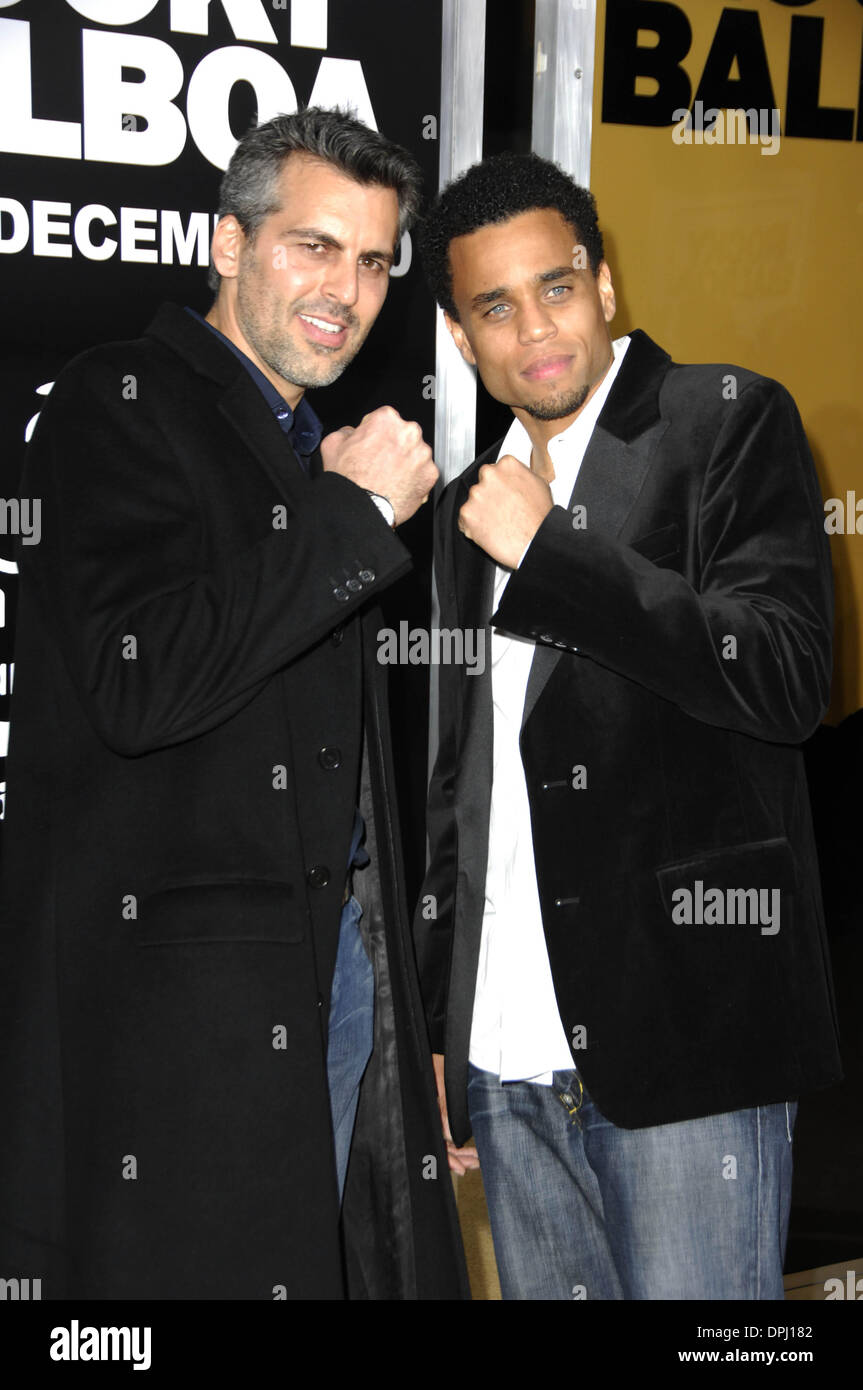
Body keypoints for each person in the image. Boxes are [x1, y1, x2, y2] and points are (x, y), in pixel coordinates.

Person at [0, 107, 468, 1300]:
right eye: (313, 246)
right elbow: (134, 682)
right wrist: (348, 515)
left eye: (371, 261)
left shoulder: (304, 448)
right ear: (226, 245)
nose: (346, 290)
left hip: (327, 981)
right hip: (183, 1026)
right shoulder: (123, 397)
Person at [414, 151, 842, 1300]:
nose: (534, 329)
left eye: (554, 286)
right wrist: (445, 1023)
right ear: (462, 338)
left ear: (603, 286)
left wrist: (553, 553)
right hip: (507, 1053)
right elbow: (463, 781)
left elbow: (787, 676)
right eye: (494, 307)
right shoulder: (466, 507)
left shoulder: (723, 421)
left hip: (687, 1032)